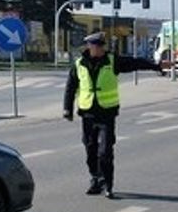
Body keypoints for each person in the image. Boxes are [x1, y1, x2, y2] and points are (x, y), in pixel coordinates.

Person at [63, 31, 163, 199]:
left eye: (102, 45)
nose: (101, 48)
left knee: (105, 151)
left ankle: (108, 184)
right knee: (90, 150)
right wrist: (67, 109)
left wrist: (156, 66)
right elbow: (70, 87)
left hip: (107, 115)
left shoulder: (112, 61)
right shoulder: (79, 64)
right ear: (90, 47)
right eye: (97, 46)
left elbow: (135, 63)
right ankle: (96, 178)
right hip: (87, 114)